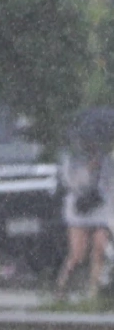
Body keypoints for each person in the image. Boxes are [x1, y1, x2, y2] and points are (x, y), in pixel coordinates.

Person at [55, 129, 114, 302]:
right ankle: (62, 287)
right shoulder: (71, 159)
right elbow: (70, 182)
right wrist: (88, 169)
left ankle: (93, 292)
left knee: (99, 249)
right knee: (78, 254)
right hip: (79, 211)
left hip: (100, 209)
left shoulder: (105, 160)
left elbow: (109, 184)